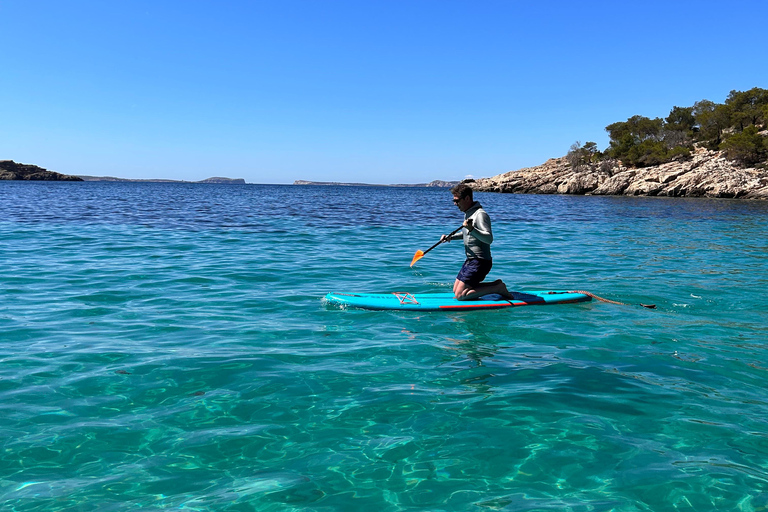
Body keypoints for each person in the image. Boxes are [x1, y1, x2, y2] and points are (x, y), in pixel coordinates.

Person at [440, 184, 513, 301]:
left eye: (457, 201)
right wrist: (451, 237)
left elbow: (489, 239)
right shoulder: (468, 213)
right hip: (471, 260)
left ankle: (497, 288)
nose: (455, 204)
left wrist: (471, 229)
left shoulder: (480, 215)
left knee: (460, 295)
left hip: (481, 261)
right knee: (456, 290)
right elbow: (468, 234)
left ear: (467, 199)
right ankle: (496, 285)